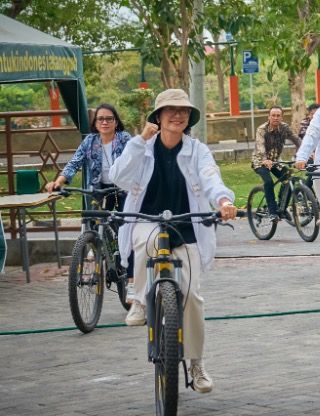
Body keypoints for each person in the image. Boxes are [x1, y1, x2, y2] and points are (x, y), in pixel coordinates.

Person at [110, 89, 237, 393]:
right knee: (150, 239)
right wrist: (139, 141)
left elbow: (210, 176)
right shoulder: (142, 147)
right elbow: (118, 176)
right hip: (147, 220)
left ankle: (196, 362)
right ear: (158, 117)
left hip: (186, 227)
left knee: (192, 297)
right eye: (170, 111)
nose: (177, 115)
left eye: (183, 111)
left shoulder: (197, 150)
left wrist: (222, 200)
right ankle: (140, 298)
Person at [45, 103, 135, 294]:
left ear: (116, 122)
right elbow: (74, 163)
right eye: (100, 119)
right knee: (94, 223)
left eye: (109, 119)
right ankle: (100, 250)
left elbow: (136, 159)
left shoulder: (124, 139)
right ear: (95, 123)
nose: (104, 122)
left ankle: (130, 275)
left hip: (123, 189)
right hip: (98, 190)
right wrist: (59, 182)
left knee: (127, 230)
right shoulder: (89, 142)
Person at [251, 106, 302, 222]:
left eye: (278, 115)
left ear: (282, 117)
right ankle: (272, 212)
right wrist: (265, 159)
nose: (275, 118)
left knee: (289, 177)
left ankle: (281, 208)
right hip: (259, 161)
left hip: (275, 161)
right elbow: (260, 146)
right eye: (273, 115)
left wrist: (306, 153)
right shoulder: (262, 129)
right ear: (269, 117)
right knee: (268, 182)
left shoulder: (284, 128)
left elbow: (296, 140)